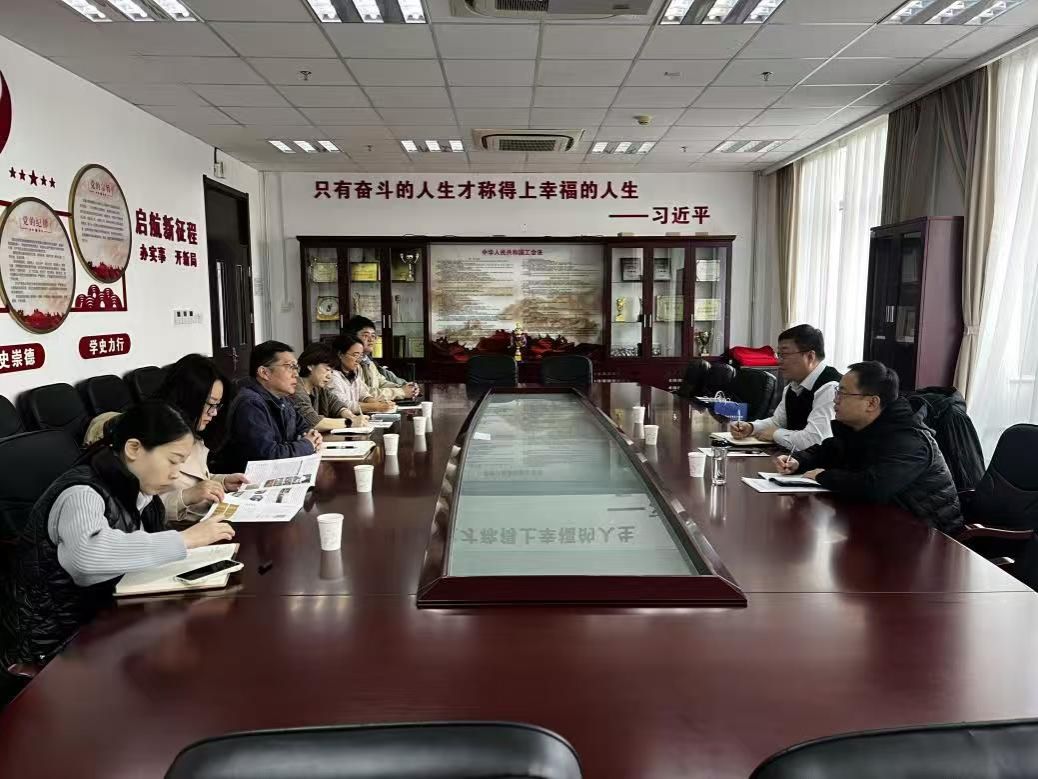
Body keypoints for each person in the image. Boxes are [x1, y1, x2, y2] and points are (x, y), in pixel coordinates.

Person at [1, 402, 236, 677]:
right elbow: (87, 558)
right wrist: (184, 540)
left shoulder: (136, 489)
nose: (175, 474)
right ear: (133, 448)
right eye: (173, 461)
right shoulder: (82, 493)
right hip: (54, 646)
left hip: (103, 622)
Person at [775, 361, 963, 534]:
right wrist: (798, 460)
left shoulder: (910, 440)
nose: (835, 400)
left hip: (931, 538)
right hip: (884, 527)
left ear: (872, 403)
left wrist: (823, 476)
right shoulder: (861, 428)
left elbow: (874, 486)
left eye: (842, 393)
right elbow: (829, 450)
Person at [151, 354, 247, 522]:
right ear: (188, 398)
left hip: (205, 519)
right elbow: (142, 511)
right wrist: (186, 496)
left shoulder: (193, 435)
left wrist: (223, 482)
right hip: (178, 529)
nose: (214, 413)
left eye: (217, 405)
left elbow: (196, 480)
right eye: (210, 404)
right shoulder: (152, 442)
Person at [731, 324, 841, 449]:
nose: (779, 361)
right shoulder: (793, 386)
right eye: (778, 355)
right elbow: (778, 422)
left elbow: (815, 440)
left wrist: (775, 434)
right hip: (794, 458)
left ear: (810, 356)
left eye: (784, 355)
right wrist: (751, 427)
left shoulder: (830, 387)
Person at [220, 341, 322, 472]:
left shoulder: (283, 399)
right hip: (251, 479)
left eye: (296, 367)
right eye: (290, 367)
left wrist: (314, 437)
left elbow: (304, 428)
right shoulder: (250, 404)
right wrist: (307, 444)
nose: (296, 374)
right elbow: (268, 457)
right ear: (264, 372)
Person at [292, 343, 368, 433]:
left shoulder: (318, 389)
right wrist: (350, 422)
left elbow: (334, 403)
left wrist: (349, 415)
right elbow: (313, 423)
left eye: (331, 371)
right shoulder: (296, 388)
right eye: (327, 370)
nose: (329, 376)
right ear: (310, 366)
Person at [344, 315, 420, 401]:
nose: (371, 340)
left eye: (373, 336)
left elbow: (381, 382)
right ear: (352, 337)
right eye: (366, 336)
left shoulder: (367, 361)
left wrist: (406, 388)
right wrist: (401, 392)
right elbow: (364, 393)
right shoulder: (350, 363)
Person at [327, 333, 395, 415]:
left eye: (361, 356)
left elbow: (363, 394)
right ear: (340, 354)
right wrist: (376, 406)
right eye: (355, 355)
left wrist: (378, 403)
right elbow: (342, 404)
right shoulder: (332, 376)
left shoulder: (354, 372)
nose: (358, 360)